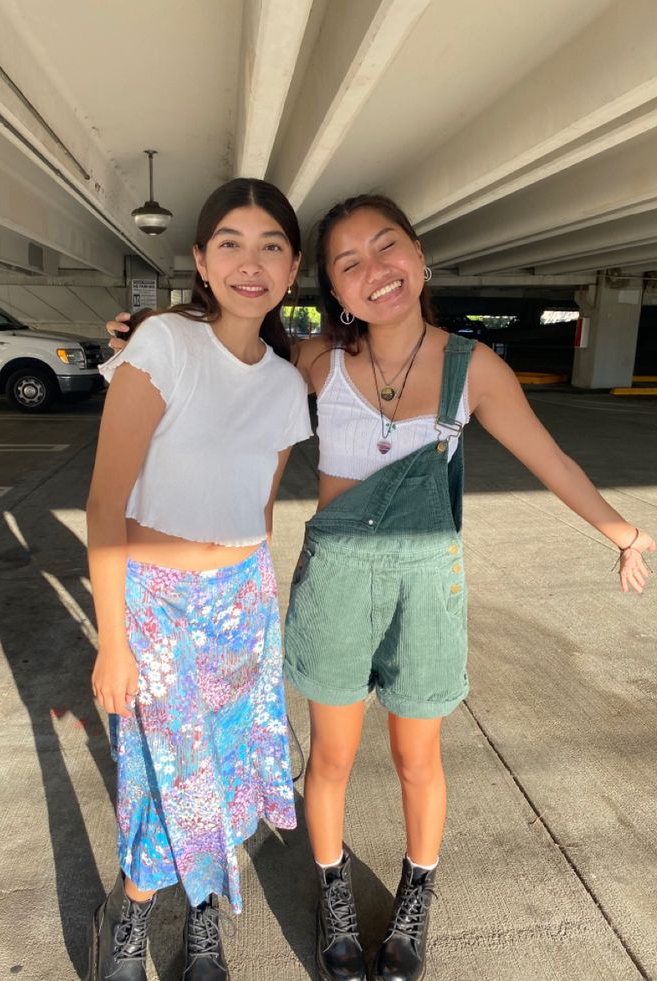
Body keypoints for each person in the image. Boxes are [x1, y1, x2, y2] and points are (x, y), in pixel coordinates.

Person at [107, 193, 654, 981]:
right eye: (349, 262)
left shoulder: (475, 367)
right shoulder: (319, 358)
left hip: (429, 583)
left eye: (386, 247)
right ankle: (332, 892)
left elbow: (552, 460)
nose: (374, 271)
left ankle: (414, 896)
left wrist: (625, 533)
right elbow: (231, 347)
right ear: (332, 287)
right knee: (328, 755)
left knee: (416, 755)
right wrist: (147, 336)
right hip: (334, 579)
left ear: (420, 256)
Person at [87, 177, 312, 981]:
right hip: (154, 604)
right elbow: (106, 502)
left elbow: (262, 506)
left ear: (293, 270)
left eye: (271, 246)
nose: (250, 263)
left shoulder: (288, 386)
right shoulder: (163, 347)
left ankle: (202, 911)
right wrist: (113, 641)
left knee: (222, 773)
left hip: (243, 603)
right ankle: (132, 915)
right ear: (201, 261)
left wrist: (261, 609)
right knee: (156, 774)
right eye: (231, 244)